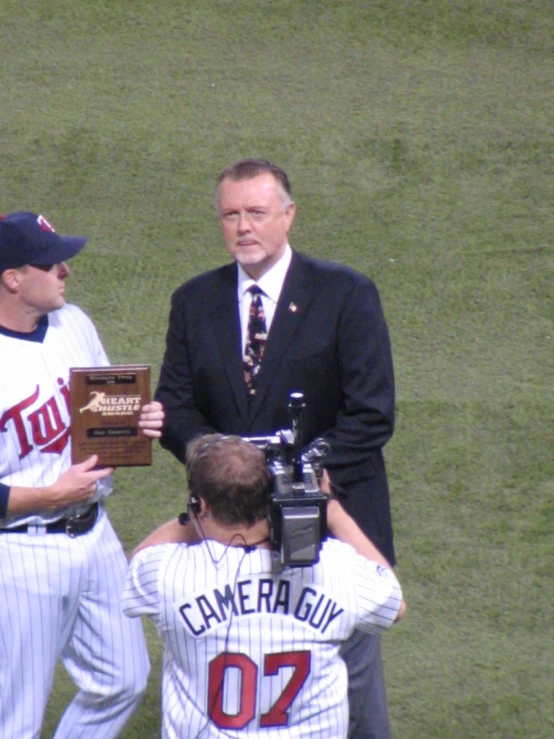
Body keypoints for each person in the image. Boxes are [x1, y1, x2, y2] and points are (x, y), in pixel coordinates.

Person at [154, 159, 397, 738]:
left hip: (329, 519)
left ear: (288, 216)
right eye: (231, 215)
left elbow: (371, 414)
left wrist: (294, 471)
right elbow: (174, 407)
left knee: (351, 676)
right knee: (237, 663)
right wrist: (221, 462)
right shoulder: (194, 299)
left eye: (257, 213)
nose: (243, 227)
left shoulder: (346, 293)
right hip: (228, 523)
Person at [0, 211, 164, 738]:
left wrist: (137, 423)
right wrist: (48, 495)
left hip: (96, 538)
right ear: (13, 278)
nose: (66, 269)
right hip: (22, 554)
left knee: (124, 679)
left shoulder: (74, 323)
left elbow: (105, 417)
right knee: (14, 717)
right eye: (51, 262)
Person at [123, 434, 405, 738]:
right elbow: (395, 604)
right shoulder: (334, 566)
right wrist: (332, 511)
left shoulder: (169, 574)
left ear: (200, 504)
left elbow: (139, 562)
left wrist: (196, 517)